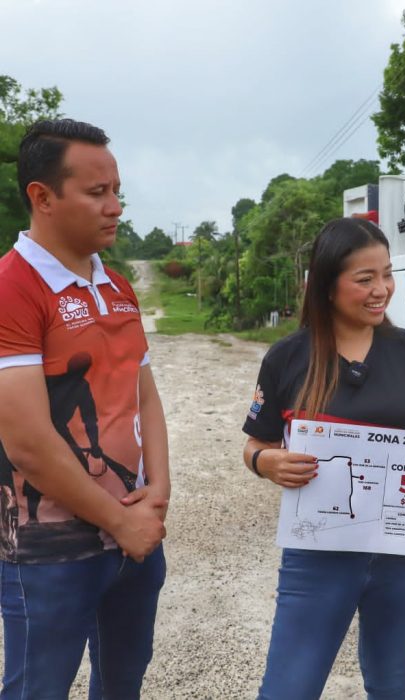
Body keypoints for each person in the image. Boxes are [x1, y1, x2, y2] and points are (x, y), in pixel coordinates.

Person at [242, 217, 405, 699]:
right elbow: (255, 445)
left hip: (404, 554)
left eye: (387, 274)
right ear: (326, 285)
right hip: (319, 554)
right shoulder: (287, 357)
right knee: (289, 686)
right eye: (364, 279)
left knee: (391, 680)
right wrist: (267, 463)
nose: (381, 289)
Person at [0, 119, 170, 699]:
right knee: (37, 689)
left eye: (117, 191)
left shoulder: (117, 284)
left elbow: (143, 394)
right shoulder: (13, 287)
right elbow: (26, 440)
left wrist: (158, 492)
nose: (115, 207)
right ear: (42, 197)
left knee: (123, 682)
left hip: (133, 536)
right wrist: (120, 519)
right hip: (51, 552)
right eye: (97, 193)